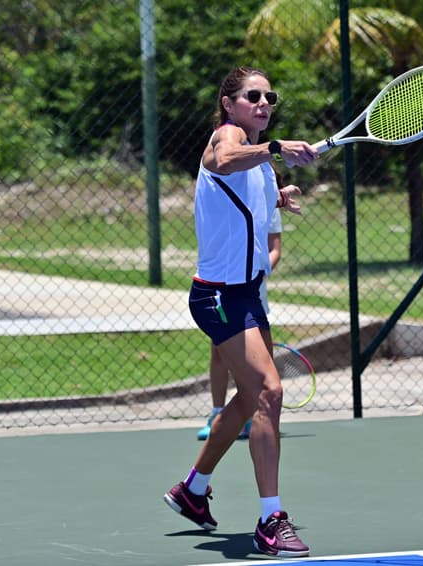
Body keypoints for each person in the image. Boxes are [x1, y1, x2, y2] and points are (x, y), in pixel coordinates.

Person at [162, 66, 316, 557]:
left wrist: (279, 193)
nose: (264, 103)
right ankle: (271, 519)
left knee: (251, 399)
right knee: (270, 391)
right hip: (218, 296)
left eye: (270, 96)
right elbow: (225, 159)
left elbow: (245, 200)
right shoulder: (226, 137)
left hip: (246, 294)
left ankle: (193, 489)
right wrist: (275, 147)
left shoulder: (262, 167)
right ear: (229, 103)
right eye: (253, 96)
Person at [197, 206, 283, 441]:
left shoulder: (270, 204)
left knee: (257, 371)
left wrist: (258, 273)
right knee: (220, 354)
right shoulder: (226, 200)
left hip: (253, 293)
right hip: (226, 292)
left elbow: (275, 249)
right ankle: (218, 413)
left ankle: (250, 416)